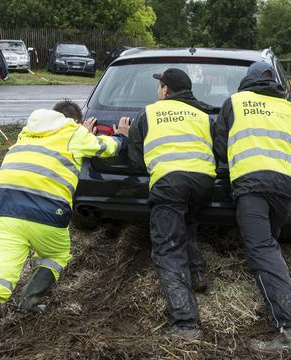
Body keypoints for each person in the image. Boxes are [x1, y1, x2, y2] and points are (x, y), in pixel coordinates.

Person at [0, 101, 130, 351]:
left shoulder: (27, 131)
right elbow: (107, 148)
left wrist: (78, 131)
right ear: (74, 121)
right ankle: (30, 302)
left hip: (6, 209)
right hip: (46, 212)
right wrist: (120, 135)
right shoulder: (74, 133)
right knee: (56, 255)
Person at [214, 61, 291, 353]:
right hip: (284, 186)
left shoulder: (235, 103)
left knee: (261, 250)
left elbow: (219, 145)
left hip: (251, 186)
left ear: (247, 81)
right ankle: (281, 304)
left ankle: (290, 332)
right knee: (268, 244)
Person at [127, 68, 216, 338]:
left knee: (168, 249)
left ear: (165, 90)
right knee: (188, 222)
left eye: (160, 87)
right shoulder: (204, 115)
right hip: (204, 183)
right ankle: (197, 274)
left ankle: (186, 323)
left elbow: (135, 159)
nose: (158, 91)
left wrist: (125, 135)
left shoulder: (149, 113)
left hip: (168, 182)